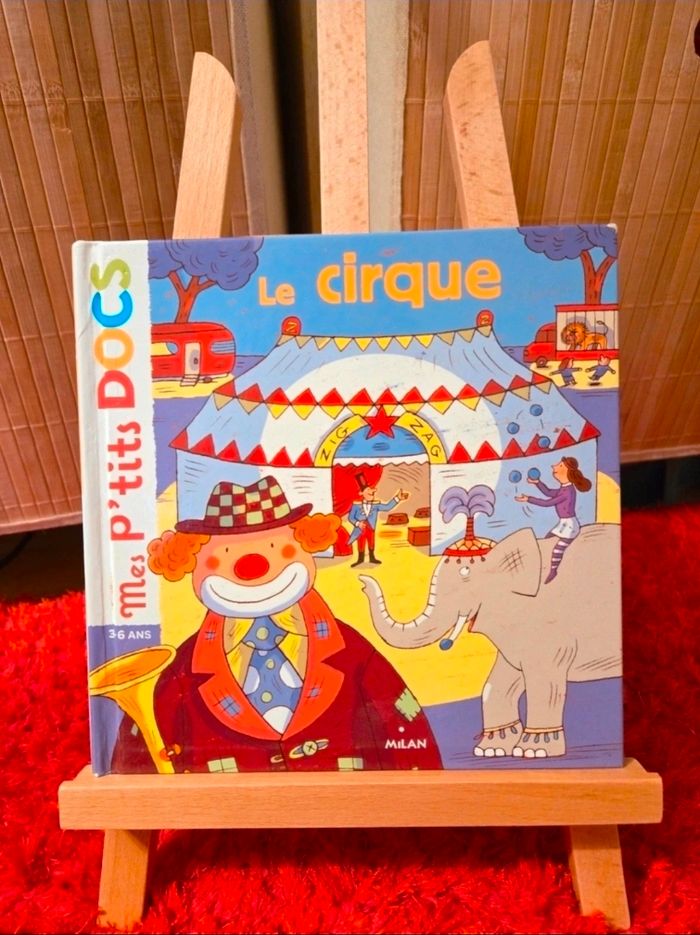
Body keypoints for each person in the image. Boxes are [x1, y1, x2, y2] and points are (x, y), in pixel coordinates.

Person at [110, 475, 441, 773]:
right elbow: (134, 767)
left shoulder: (351, 652)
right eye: (224, 553)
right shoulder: (181, 672)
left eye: (275, 547)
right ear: (191, 561)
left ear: (305, 545)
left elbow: (408, 731)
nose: (252, 567)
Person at [515, 457, 592, 583]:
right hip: (563, 524)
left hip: (570, 527)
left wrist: (529, 499)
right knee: (546, 541)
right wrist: (537, 482)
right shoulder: (564, 488)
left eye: (560, 466)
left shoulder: (568, 492)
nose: (554, 466)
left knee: (557, 549)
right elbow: (549, 492)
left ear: (568, 472)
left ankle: (553, 570)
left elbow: (547, 503)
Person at [347, 473, 409, 567]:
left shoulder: (376, 505)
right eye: (368, 490)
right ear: (361, 493)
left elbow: (387, 507)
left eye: (372, 491)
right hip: (360, 529)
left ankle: (372, 558)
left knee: (371, 542)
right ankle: (360, 559)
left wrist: (397, 498)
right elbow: (351, 517)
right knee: (361, 543)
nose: (372, 493)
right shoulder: (356, 505)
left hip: (371, 528)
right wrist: (358, 523)